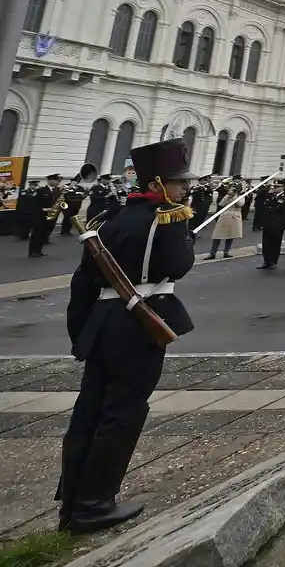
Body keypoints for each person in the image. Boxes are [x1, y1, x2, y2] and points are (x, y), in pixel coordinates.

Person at [57, 138, 196, 533]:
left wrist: (81, 332)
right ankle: (94, 504)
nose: (185, 188)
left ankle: (73, 501)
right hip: (138, 323)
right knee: (122, 413)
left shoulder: (109, 218)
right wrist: (185, 236)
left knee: (89, 411)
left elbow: (82, 282)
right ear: (157, 184)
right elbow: (178, 266)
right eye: (178, 182)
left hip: (102, 324)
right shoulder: (167, 217)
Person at [256, 179, 285, 270]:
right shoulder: (269, 196)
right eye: (274, 186)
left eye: (277, 187)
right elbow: (264, 209)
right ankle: (266, 261)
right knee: (266, 244)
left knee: (275, 244)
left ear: (283, 188)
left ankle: (273, 261)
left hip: (277, 225)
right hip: (267, 224)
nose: (275, 188)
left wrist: (282, 226)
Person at [206, 180, 243, 259]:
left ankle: (226, 252)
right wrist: (228, 197)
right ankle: (213, 253)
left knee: (231, 235)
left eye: (233, 189)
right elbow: (221, 204)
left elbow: (240, 204)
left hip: (234, 217)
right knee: (217, 235)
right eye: (231, 189)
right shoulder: (226, 196)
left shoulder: (240, 196)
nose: (231, 191)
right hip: (225, 216)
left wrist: (234, 197)